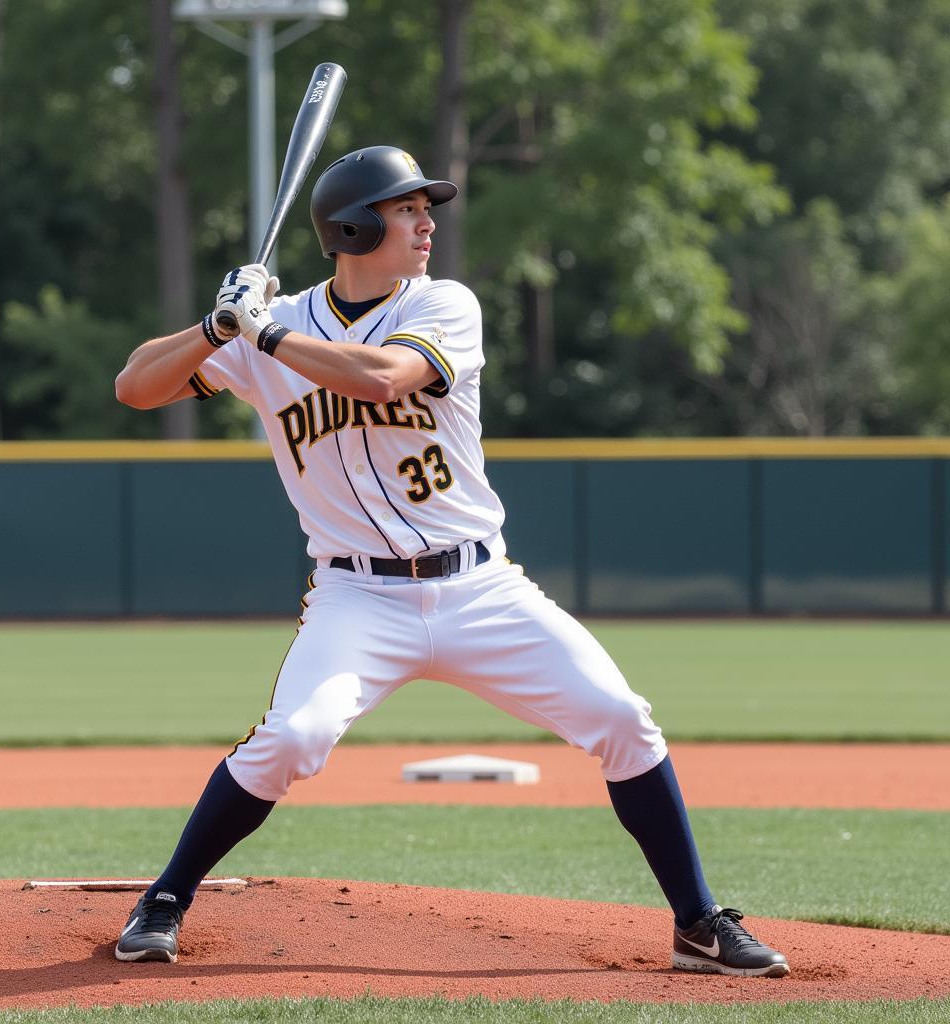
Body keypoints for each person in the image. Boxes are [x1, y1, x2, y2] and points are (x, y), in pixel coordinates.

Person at [112, 145, 790, 978]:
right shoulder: (266, 331)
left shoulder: (442, 305)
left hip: (479, 589)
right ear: (356, 225)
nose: (428, 221)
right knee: (293, 737)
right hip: (356, 599)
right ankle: (166, 898)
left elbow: (385, 378)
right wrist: (217, 326)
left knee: (620, 717)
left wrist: (265, 332)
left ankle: (696, 921)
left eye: (426, 207)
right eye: (407, 209)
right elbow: (135, 387)